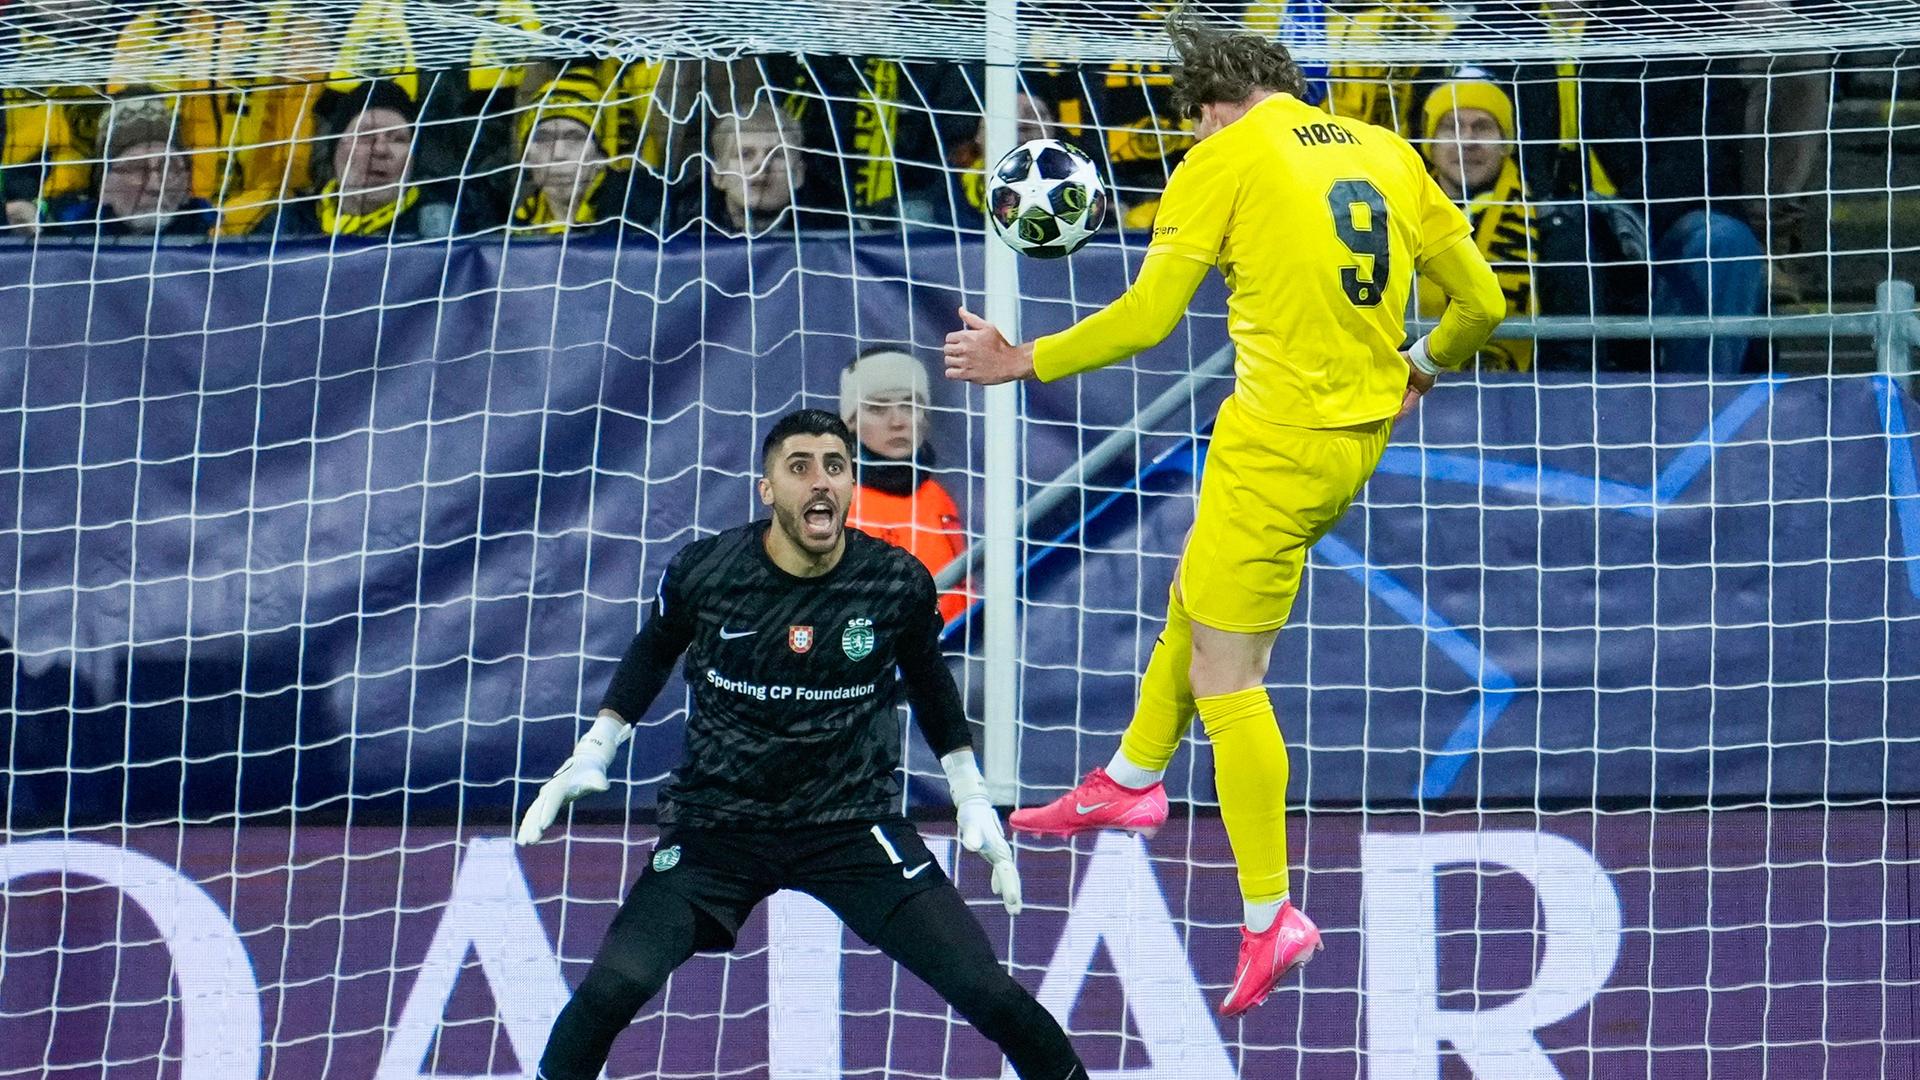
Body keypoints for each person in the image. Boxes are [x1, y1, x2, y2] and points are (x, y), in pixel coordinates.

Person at [943, 12, 1505, 1017]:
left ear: (1206, 103)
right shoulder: (1384, 149)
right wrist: (1421, 366)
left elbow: (1151, 317)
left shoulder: (1223, 158)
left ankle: (1269, 913)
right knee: (1199, 589)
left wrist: (1020, 359)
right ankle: (1131, 773)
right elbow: (1485, 303)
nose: (1194, 136)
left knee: (1227, 673)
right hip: (1357, 436)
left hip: (1277, 438)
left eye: (1192, 122)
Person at [515, 408, 1089, 1080]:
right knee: (610, 990)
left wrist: (970, 796)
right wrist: (596, 748)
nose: (820, 482)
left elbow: (932, 686)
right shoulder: (707, 573)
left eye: (835, 467)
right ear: (767, 489)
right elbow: (652, 651)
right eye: (800, 467)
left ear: (850, 486)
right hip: (719, 824)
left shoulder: (893, 582)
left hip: (852, 823)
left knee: (991, 993)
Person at [840, 348, 972, 622]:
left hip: (961, 650)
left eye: (909, 405)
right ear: (850, 421)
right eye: (877, 408)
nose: (897, 422)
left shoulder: (937, 496)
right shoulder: (835, 501)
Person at [277, 82, 456, 240]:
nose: (380, 149)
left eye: (398, 139)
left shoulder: (449, 228)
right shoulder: (283, 223)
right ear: (335, 149)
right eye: (364, 136)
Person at [37, 97, 216, 239]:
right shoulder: (62, 241)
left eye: (168, 168)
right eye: (137, 169)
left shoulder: (219, 233)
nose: (155, 186)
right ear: (103, 186)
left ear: (186, 183)